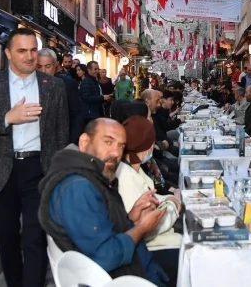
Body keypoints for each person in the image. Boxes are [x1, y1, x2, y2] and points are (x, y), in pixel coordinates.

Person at [0, 28, 69, 287]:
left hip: (38, 169)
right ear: (8, 53)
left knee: (35, 237)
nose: (30, 56)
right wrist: (6, 119)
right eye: (22, 50)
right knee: (6, 237)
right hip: (1, 171)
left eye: (33, 50)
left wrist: (58, 175)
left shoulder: (53, 86)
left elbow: (60, 134)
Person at [38, 118, 169, 286]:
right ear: (85, 142)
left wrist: (131, 218)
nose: (116, 153)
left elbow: (98, 230)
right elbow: (105, 256)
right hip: (125, 279)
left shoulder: (91, 176)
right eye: (108, 142)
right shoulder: (78, 188)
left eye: (121, 146)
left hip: (136, 271)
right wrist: (141, 228)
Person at [116, 116, 182, 285]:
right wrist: (173, 205)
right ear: (145, 147)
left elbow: (152, 195)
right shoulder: (125, 176)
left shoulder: (134, 167)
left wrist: (169, 199)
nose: (154, 147)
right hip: (149, 249)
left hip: (156, 239)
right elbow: (149, 226)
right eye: (151, 143)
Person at [38, 48, 82, 145]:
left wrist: (71, 143)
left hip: (59, 144)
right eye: (39, 66)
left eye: (47, 66)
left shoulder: (67, 84)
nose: (43, 71)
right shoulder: (28, 85)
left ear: (55, 65)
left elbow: (77, 116)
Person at [79, 61, 113, 130]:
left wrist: (104, 98)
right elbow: (86, 97)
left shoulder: (94, 80)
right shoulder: (87, 82)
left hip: (95, 112)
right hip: (90, 114)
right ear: (89, 70)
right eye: (95, 69)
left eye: (98, 69)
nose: (97, 71)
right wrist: (102, 97)